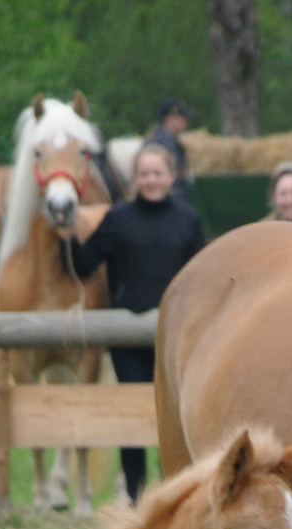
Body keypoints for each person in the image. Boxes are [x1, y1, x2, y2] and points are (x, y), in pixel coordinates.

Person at [59, 142, 205, 502]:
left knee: (174, 418)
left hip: (174, 337)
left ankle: (179, 493)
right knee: (132, 417)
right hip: (127, 336)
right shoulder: (118, 219)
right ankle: (136, 496)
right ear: (135, 179)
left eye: (157, 173)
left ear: (171, 177)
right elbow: (83, 264)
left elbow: (201, 275)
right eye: (144, 174)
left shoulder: (187, 220)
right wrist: (67, 231)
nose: (151, 180)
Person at [146, 98, 195, 203]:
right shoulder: (161, 144)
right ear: (170, 119)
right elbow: (167, 182)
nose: (187, 121)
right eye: (183, 117)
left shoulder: (170, 141)